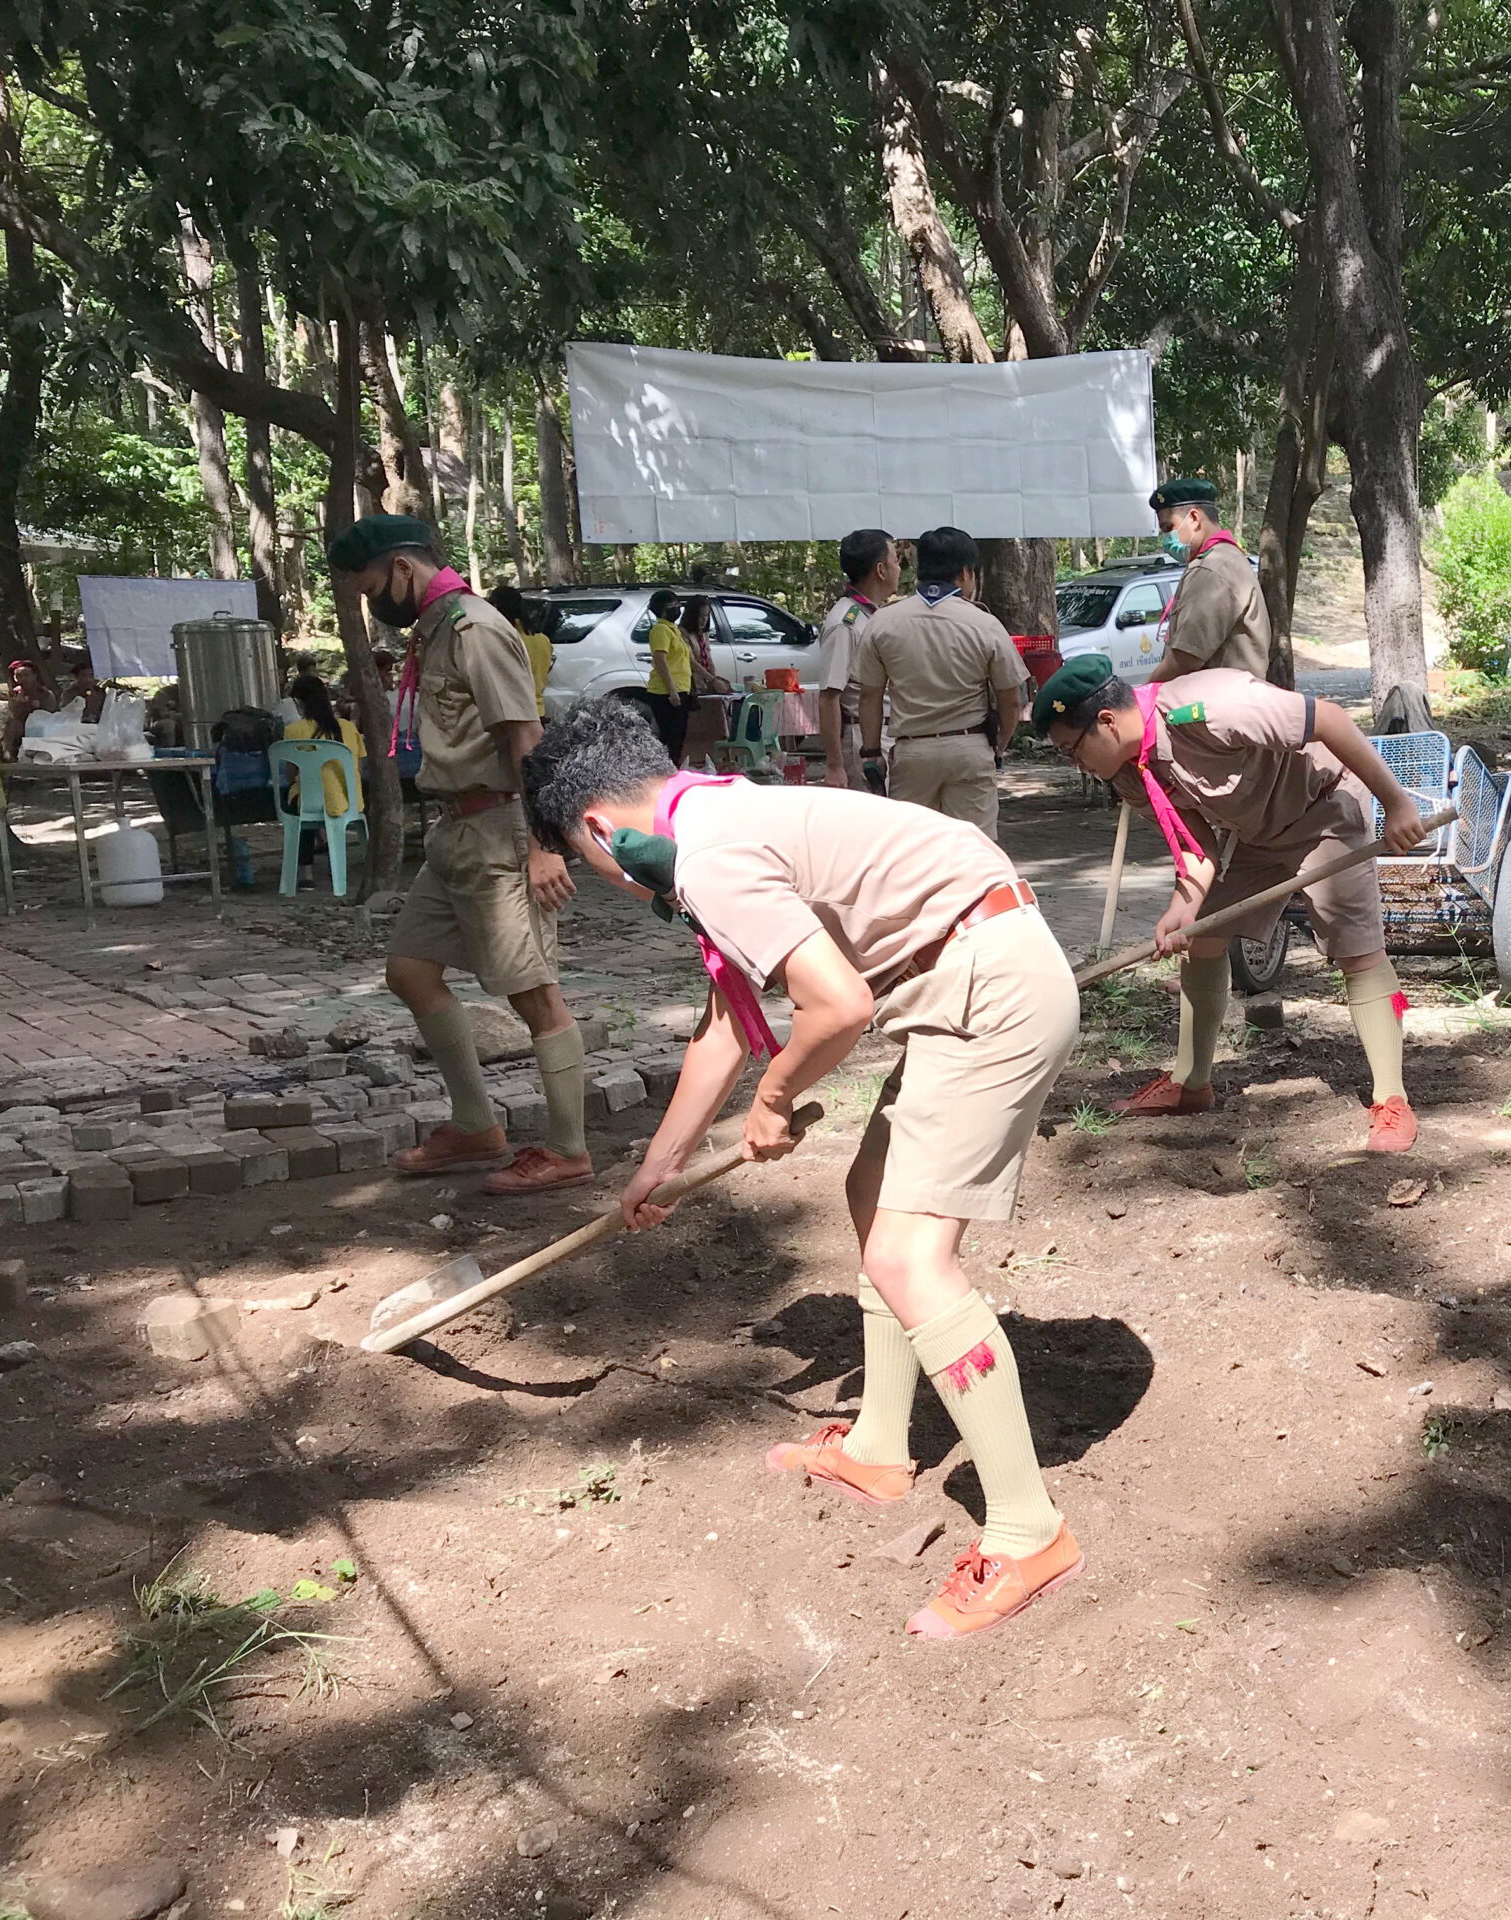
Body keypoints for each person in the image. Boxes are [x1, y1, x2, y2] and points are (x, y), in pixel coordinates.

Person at [522, 695, 1082, 1638]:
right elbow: (725, 1025)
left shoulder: (708, 854)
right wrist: (658, 1164)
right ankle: (878, 1446)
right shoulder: (714, 815)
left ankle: (1030, 1533)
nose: (604, 880)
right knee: (872, 1193)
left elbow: (839, 1006)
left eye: (585, 861)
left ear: (597, 829)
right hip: (967, 969)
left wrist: (776, 1099)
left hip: (987, 987)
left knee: (909, 1256)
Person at [1034, 655, 1432, 1154]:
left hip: (1325, 809)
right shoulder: (1129, 772)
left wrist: (1397, 803)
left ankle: (1392, 1098)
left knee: (1358, 951)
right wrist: (1182, 909)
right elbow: (1196, 847)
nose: (1076, 765)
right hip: (1256, 835)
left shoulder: (1213, 706)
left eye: (1072, 750)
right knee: (1202, 937)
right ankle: (1191, 1083)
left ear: (1107, 721)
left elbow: (1328, 718)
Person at [327, 513, 596, 1195]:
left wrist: (544, 844)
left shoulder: (475, 628)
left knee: (534, 994)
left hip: (500, 827)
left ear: (402, 568)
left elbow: (526, 737)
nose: (372, 603)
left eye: (370, 588)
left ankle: (568, 1149)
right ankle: (476, 1126)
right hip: (454, 831)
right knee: (410, 970)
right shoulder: (436, 627)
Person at [853, 526, 1026, 836]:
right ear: (965, 572)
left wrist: (871, 753)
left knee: (915, 850)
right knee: (974, 849)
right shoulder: (985, 624)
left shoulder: (883, 621)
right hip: (969, 748)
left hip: (912, 753)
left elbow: (869, 696)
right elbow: (1011, 700)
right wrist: (999, 746)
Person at [1147, 477, 1271, 683]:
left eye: (1169, 527)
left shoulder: (1211, 568)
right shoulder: (1227, 557)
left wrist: (1144, 693)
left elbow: (1184, 659)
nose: (1166, 538)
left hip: (1219, 699)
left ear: (1194, 518)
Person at [816, 529, 897, 790]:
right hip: (862, 738)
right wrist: (835, 766)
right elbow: (830, 695)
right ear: (881, 570)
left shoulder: (869, 616)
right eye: (896, 561)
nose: (899, 569)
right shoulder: (845, 623)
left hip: (883, 734)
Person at [280, 671, 365, 885]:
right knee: (312, 796)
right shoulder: (348, 728)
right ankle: (338, 863)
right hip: (350, 802)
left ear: (299, 702)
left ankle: (306, 874)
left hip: (310, 803)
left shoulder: (294, 730)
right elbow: (358, 766)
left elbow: (290, 773)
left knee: (300, 800)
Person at [644, 589, 697, 765]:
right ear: (663, 609)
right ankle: (666, 771)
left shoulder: (673, 630)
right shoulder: (660, 630)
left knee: (678, 737)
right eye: (674, 604)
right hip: (665, 692)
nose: (678, 608)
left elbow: (689, 661)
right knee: (670, 738)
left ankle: (672, 769)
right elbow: (661, 660)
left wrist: (711, 678)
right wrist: (672, 691)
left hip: (681, 688)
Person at [489, 587, 555, 715]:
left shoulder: (501, 639)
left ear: (496, 607)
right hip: (537, 711)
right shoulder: (542, 639)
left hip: (510, 713)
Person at [0, 657, 48, 758]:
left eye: (26, 675)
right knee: (12, 724)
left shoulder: (45, 693)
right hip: (22, 726)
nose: (23, 679)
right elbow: (14, 715)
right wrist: (19, 703)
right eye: (19, 676)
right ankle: (8, 753)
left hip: (41, 726)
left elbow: (49, 714)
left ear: (34, 676)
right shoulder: (15, 694)